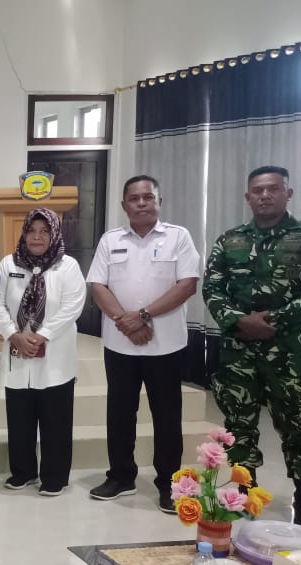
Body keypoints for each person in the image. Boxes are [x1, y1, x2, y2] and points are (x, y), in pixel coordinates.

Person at [203, 165, 301, 531]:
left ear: (288, 193)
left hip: (286, 352)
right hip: (238, 353)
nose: (265, 195)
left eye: (273, 189)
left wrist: (274, 321)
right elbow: (212, 288)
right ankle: (245, 494)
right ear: (248, 197)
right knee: (239, 425)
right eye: (258, 190)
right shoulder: (230, 240)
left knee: (297, 426)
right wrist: (240, 321)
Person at [86, 175, 200, 513]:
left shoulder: (178, 237)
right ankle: (121, 476)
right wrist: (126, 321)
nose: (141, 203)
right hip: (120, 345)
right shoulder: (110, 240)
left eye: (147, 197)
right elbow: (98, 286)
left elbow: (187, 284)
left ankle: (169, 483)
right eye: (134, 198)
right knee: (120, 414)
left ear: (158, 202)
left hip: (165, 346)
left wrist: (143, 315)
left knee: (167, 416)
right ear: (124, 205)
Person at [0, 208, 86, 496]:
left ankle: (54, 476)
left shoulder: (68, 266)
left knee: (56, 418)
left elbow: (73, 306)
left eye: (44, 231)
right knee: (19, 417)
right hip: (17, 350)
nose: (37, 236)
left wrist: (41, 336)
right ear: (24, 233)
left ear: (54, 234)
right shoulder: (8, 263)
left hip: (55, 354)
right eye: (31, 230)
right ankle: (22, 472)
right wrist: (14, 335)